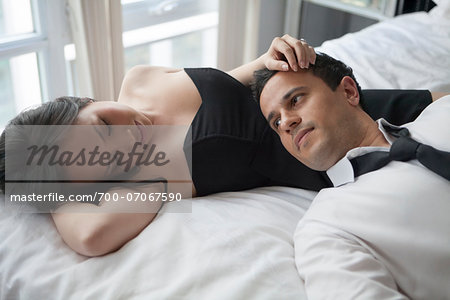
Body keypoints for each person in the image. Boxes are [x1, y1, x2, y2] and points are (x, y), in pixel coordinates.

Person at [0, 35, 436, 257]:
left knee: (439, 106)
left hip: (332, 109)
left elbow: (239, 78)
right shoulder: (143, 175)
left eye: (100, 124)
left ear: (82, 100)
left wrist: (274, 58)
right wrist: (49, 172)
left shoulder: (141, 79)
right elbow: (89, 236)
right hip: (330, 159)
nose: (123, 140)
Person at [254, 52, 450, 299]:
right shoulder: (326, 229)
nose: (286, 124)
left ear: (348, 92)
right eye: (276, 123)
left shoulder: (444, 111)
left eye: (295, 100)